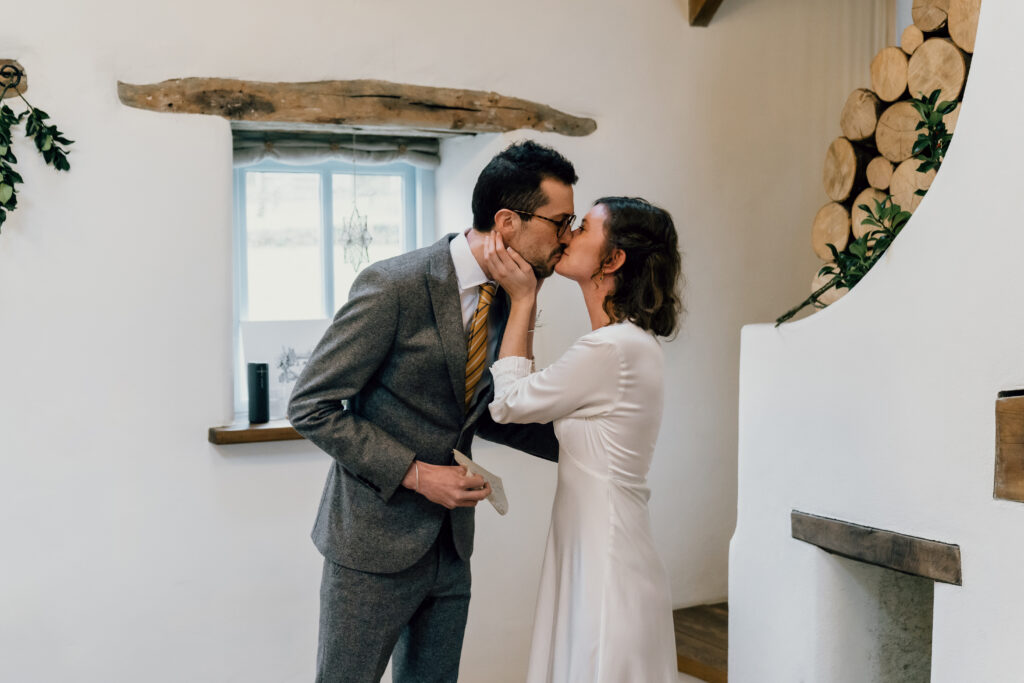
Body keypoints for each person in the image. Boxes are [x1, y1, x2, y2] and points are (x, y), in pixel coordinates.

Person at [287, 140, 578, 683]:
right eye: (560, 222)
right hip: (371, 543)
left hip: (451, 545)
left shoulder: (514, 295)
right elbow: (311, 405)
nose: (567, 238)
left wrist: (590, 445)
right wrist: (418, 475)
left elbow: (488, 408)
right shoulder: (393, 285)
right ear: (508, 222)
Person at [486, 196, 683, 682]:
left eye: (585, 228)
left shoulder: (611, 349)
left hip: (605, 559)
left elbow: (507, 403)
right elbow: (525, 399)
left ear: (613, 259)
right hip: (594, 546)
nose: (568, 233)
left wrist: (524, 298)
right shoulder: (627, 344)